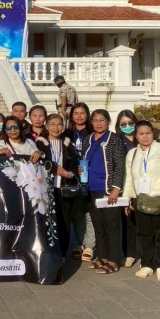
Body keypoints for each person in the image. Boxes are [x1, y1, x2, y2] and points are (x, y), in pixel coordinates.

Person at [123, 121, 160, 282]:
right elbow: (128, 178)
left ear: (153, 134)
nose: (145, 136)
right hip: (140, 199)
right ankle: (147, 263)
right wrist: (127, 200)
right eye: (141, 134)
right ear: (136, 136)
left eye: (148, 133)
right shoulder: (132, 153)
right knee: (144, 233)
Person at [81, 109, 126, 275]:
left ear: (108, 122)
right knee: (98, 225)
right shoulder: (88, 139)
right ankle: (103, 256)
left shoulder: (114, 140)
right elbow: (84, 160)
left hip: (107, 189)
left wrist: (116, 189)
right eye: (95, 120)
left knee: (111, 226)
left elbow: (119, 166)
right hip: (91, 189)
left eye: (102, 120)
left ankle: (114, 260)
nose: (98, 123)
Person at [36, 113, 81, 258]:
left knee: (64, 223)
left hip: (63, 189)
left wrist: (67, 174)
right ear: (47, 126)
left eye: (59, 124)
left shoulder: (68, 145)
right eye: (52, 124)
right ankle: (47, 254)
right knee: (46, 222)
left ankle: (62, 255)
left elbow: (74, 168)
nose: (56, 127)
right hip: (45, 189)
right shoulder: (39, 144)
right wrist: (53, 168)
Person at [64, 102, 96, 261]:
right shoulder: (67, 133)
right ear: (71, 116)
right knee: (77, 213)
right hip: (72, 177)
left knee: (89, 212)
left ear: (87, 115)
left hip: (91, 176)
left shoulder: (93, 132)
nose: (79, 116)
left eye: (82, 113)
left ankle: (90, 245)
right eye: (76, 113)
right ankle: (80, 243)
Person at [116, 109, 139, 268]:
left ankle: (147, 254)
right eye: (123, 124)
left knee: (144, 222)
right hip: (124, 185)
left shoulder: (143, 138)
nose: (127, 126)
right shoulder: (117, 142)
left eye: (130, 123)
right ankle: (129, 253)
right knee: (128, 221)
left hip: (143, 186)